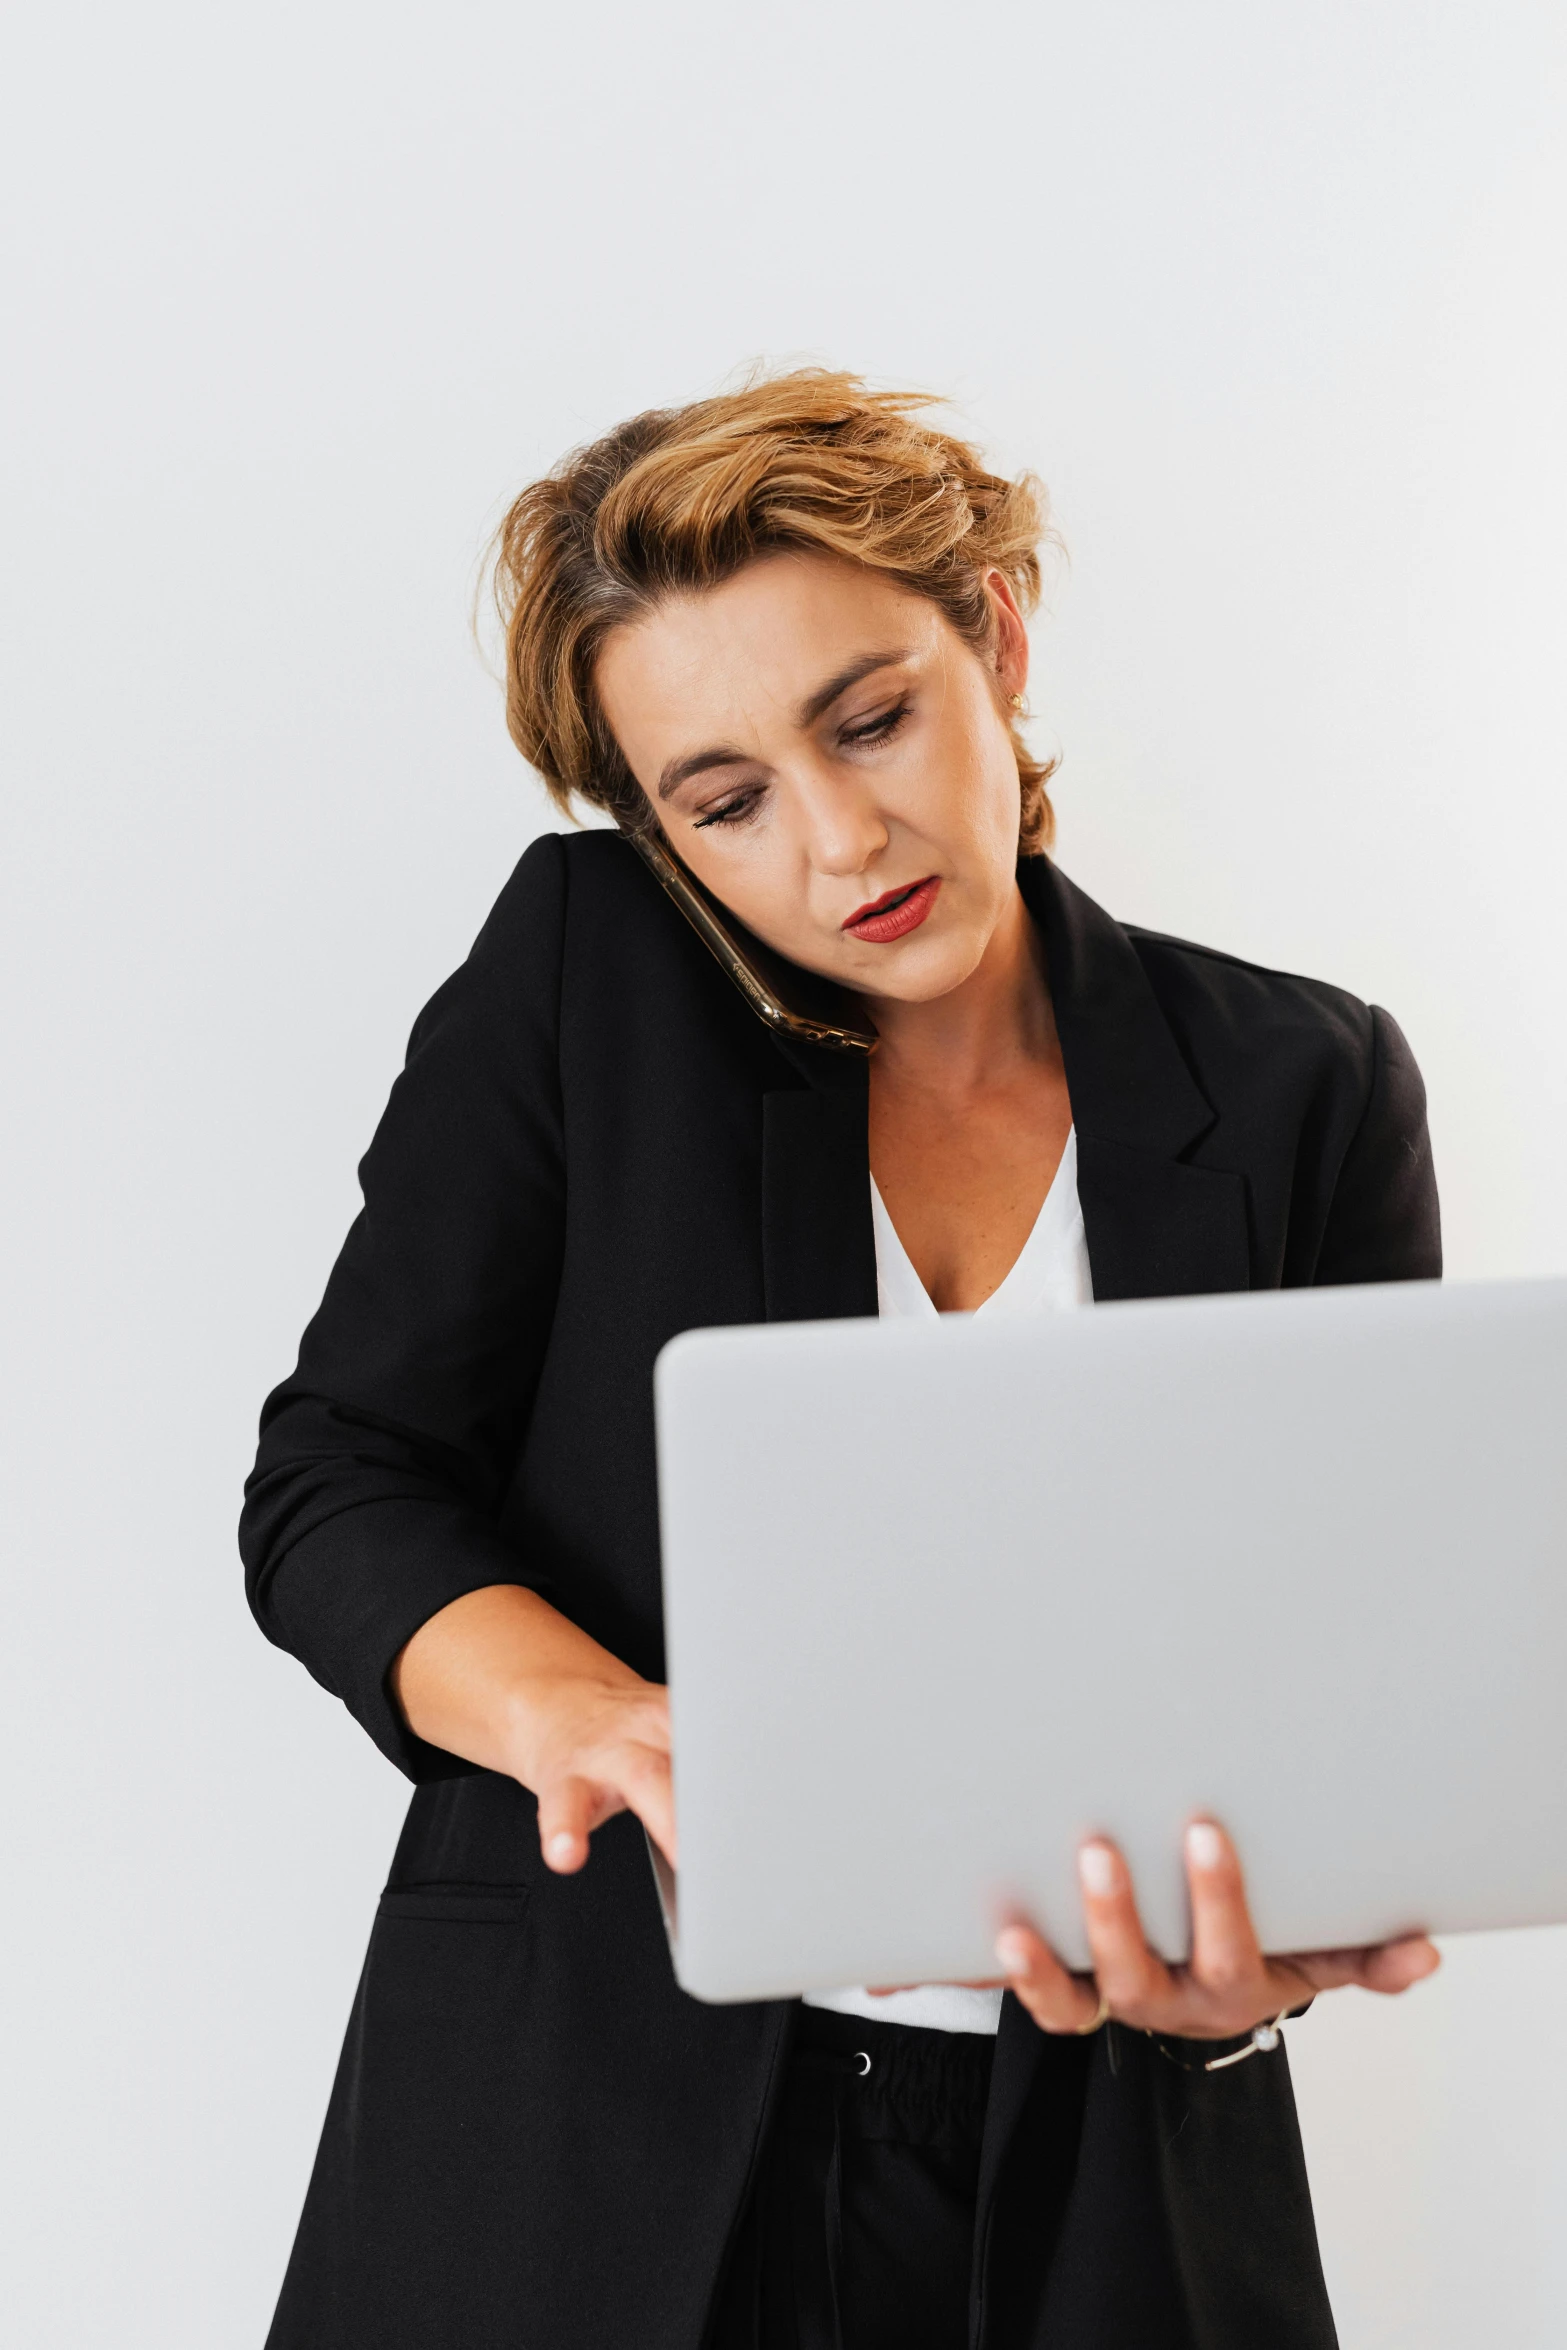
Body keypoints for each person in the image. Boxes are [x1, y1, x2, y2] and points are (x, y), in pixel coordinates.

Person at [241, 370, 1442, 2350]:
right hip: (582, 2132)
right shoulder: (581, 979)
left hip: (1107, 2172)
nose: (838, 835)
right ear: (659, 833)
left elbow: (1348, 1654)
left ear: (995, 631)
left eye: (871, 714)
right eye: (724, 798)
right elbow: (339, 1476)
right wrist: (580, 1715)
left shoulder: (1302, 1081)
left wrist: (1267, 1964)